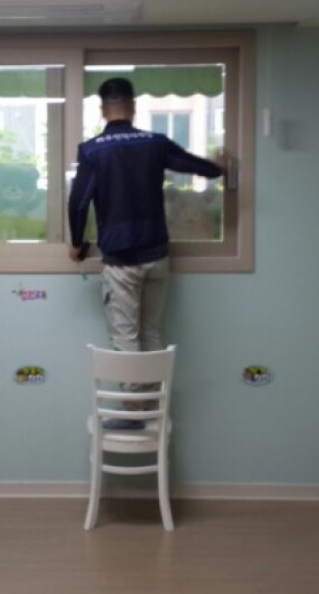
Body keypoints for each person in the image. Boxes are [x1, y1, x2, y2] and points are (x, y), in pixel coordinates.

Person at [68, 77, 226, 427]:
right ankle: (155, 409)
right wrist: (218, 167)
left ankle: (135, 414)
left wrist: (77, 243)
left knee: (126, 337)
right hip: (157, 256)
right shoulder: (154, 142)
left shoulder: (93, 150)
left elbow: (79, 203)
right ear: (133, 106)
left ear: (103, 109)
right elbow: (191, 164)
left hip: (121, 261)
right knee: (152, 331)